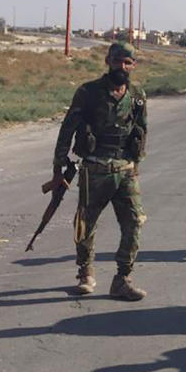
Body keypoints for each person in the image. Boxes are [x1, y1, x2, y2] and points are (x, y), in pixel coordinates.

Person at [53, 42, 148, 300]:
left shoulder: (137, 94)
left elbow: (141, 131)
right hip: (94, 168)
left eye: (128, 62)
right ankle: (86, 273)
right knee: (86, 223)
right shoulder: (89, 92)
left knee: (134, 222)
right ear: (108, 61)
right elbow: (68, 128)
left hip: (125, 169)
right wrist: (58, 166)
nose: (123, 66)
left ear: (133, 65)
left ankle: (122, 279)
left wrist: (135, 165)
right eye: (118, 61)